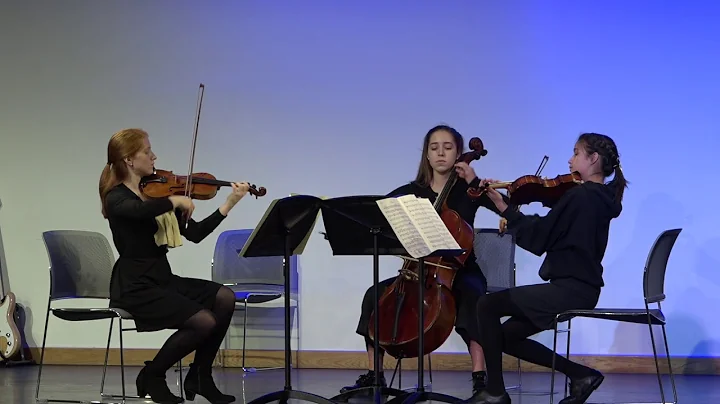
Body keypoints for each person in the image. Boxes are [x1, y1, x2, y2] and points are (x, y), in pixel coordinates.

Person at [340, 125, 509, 400]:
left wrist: (477, 183)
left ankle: (480, 379)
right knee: (374, 296)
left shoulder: (470, 190)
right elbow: (377, 213)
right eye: (434, 147)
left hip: (460, 269)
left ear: (458, 153)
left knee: (474, 301)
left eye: (448, 147)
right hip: (416, 272)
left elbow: (507, 206)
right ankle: (374, 375)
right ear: (426, 156)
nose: (441, 152)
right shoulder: (410, 192)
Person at [469, 133, 628, 404]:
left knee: (486, 305)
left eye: (576, 153)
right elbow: (553, 223)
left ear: (593, 159)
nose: (570, 160)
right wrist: (504, 206)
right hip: (580, 287)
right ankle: (581, 375)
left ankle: (494, 392)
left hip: (570, 289)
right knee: (505, 337)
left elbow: (540, 236)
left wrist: (506, 209)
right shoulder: (597, 197)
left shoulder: (582, 197)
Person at [99, 128, 250, 404]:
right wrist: (173, 200)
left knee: (224, 298)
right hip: (135, 286)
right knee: (203, 320)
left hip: (162, 279)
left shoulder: (156, 197)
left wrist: (230, 202)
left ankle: (200, 375)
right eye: (147, 151)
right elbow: (136, 212)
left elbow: (195, 234)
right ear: (129, 160)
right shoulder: (117, 197)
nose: (154, 156)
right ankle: (153, 374)